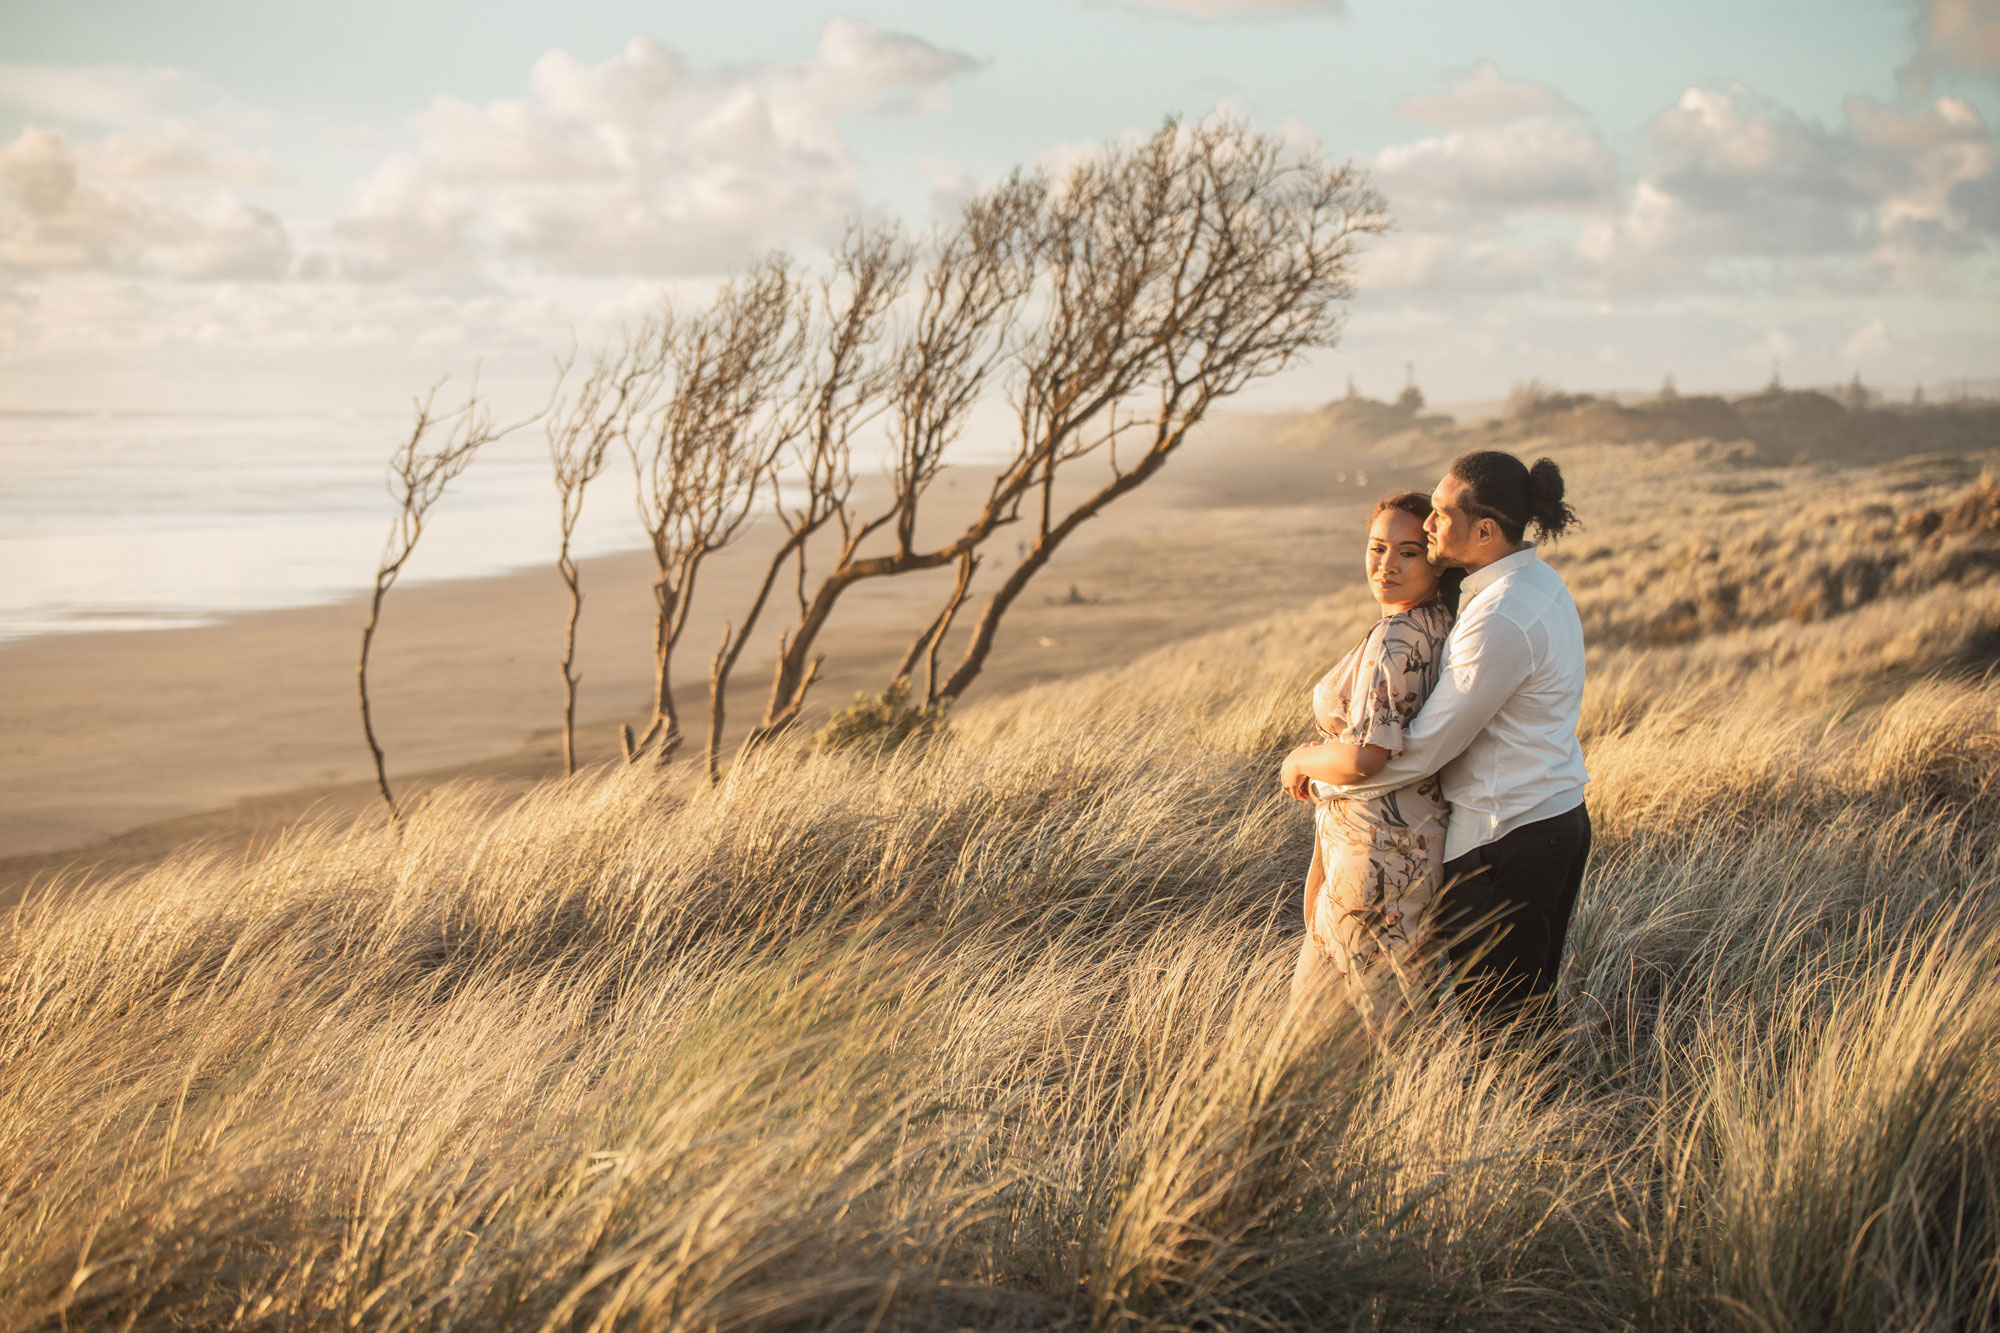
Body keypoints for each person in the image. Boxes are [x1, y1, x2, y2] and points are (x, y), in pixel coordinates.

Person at [1307, 450, 1590, 1036]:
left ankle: (1535, 1123)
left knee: (1500, 1027)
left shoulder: (1499, 618)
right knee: (1525, 1008)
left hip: (1505, 835)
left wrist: (1322, 776)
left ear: (1485, 530)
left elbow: (1425, 750)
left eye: (1439, 514)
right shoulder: (1532, 582)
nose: (1429, 525)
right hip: (1549, 816)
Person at [1279, 492, 1460, 1034]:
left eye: (1408, 552)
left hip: (1375, 859)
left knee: (1379, 1037)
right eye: (1378, 547)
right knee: (1346, 1032)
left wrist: (1299, 759)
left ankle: (1447, 1117)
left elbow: (1366, 757)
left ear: (1436, 561)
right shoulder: (1436, 625)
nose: (1387, 565)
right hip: (1390, 852)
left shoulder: (1396, 637)